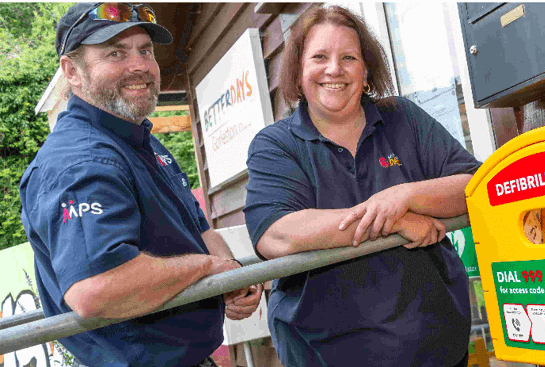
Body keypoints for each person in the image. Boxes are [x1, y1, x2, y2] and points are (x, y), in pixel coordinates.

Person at [19, 3, 263, 366]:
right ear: (72, 71)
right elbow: (96, 290)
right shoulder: (80, 162)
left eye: (145, 50)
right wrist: (209, 269)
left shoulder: (139, 139)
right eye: (115, 52)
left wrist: (229, 275)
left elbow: (198, 227)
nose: (140, 65)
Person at [243, 5, 481, 367]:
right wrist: (393, 221)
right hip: (325, 352)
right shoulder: (276, 144)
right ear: (298, 71)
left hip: (435, 346)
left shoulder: (402, 118)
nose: (334, 69)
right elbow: (278, 234)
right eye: (319, 57)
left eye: (349, 57)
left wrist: (403, 196)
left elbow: (473, 187)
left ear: (366, 70)